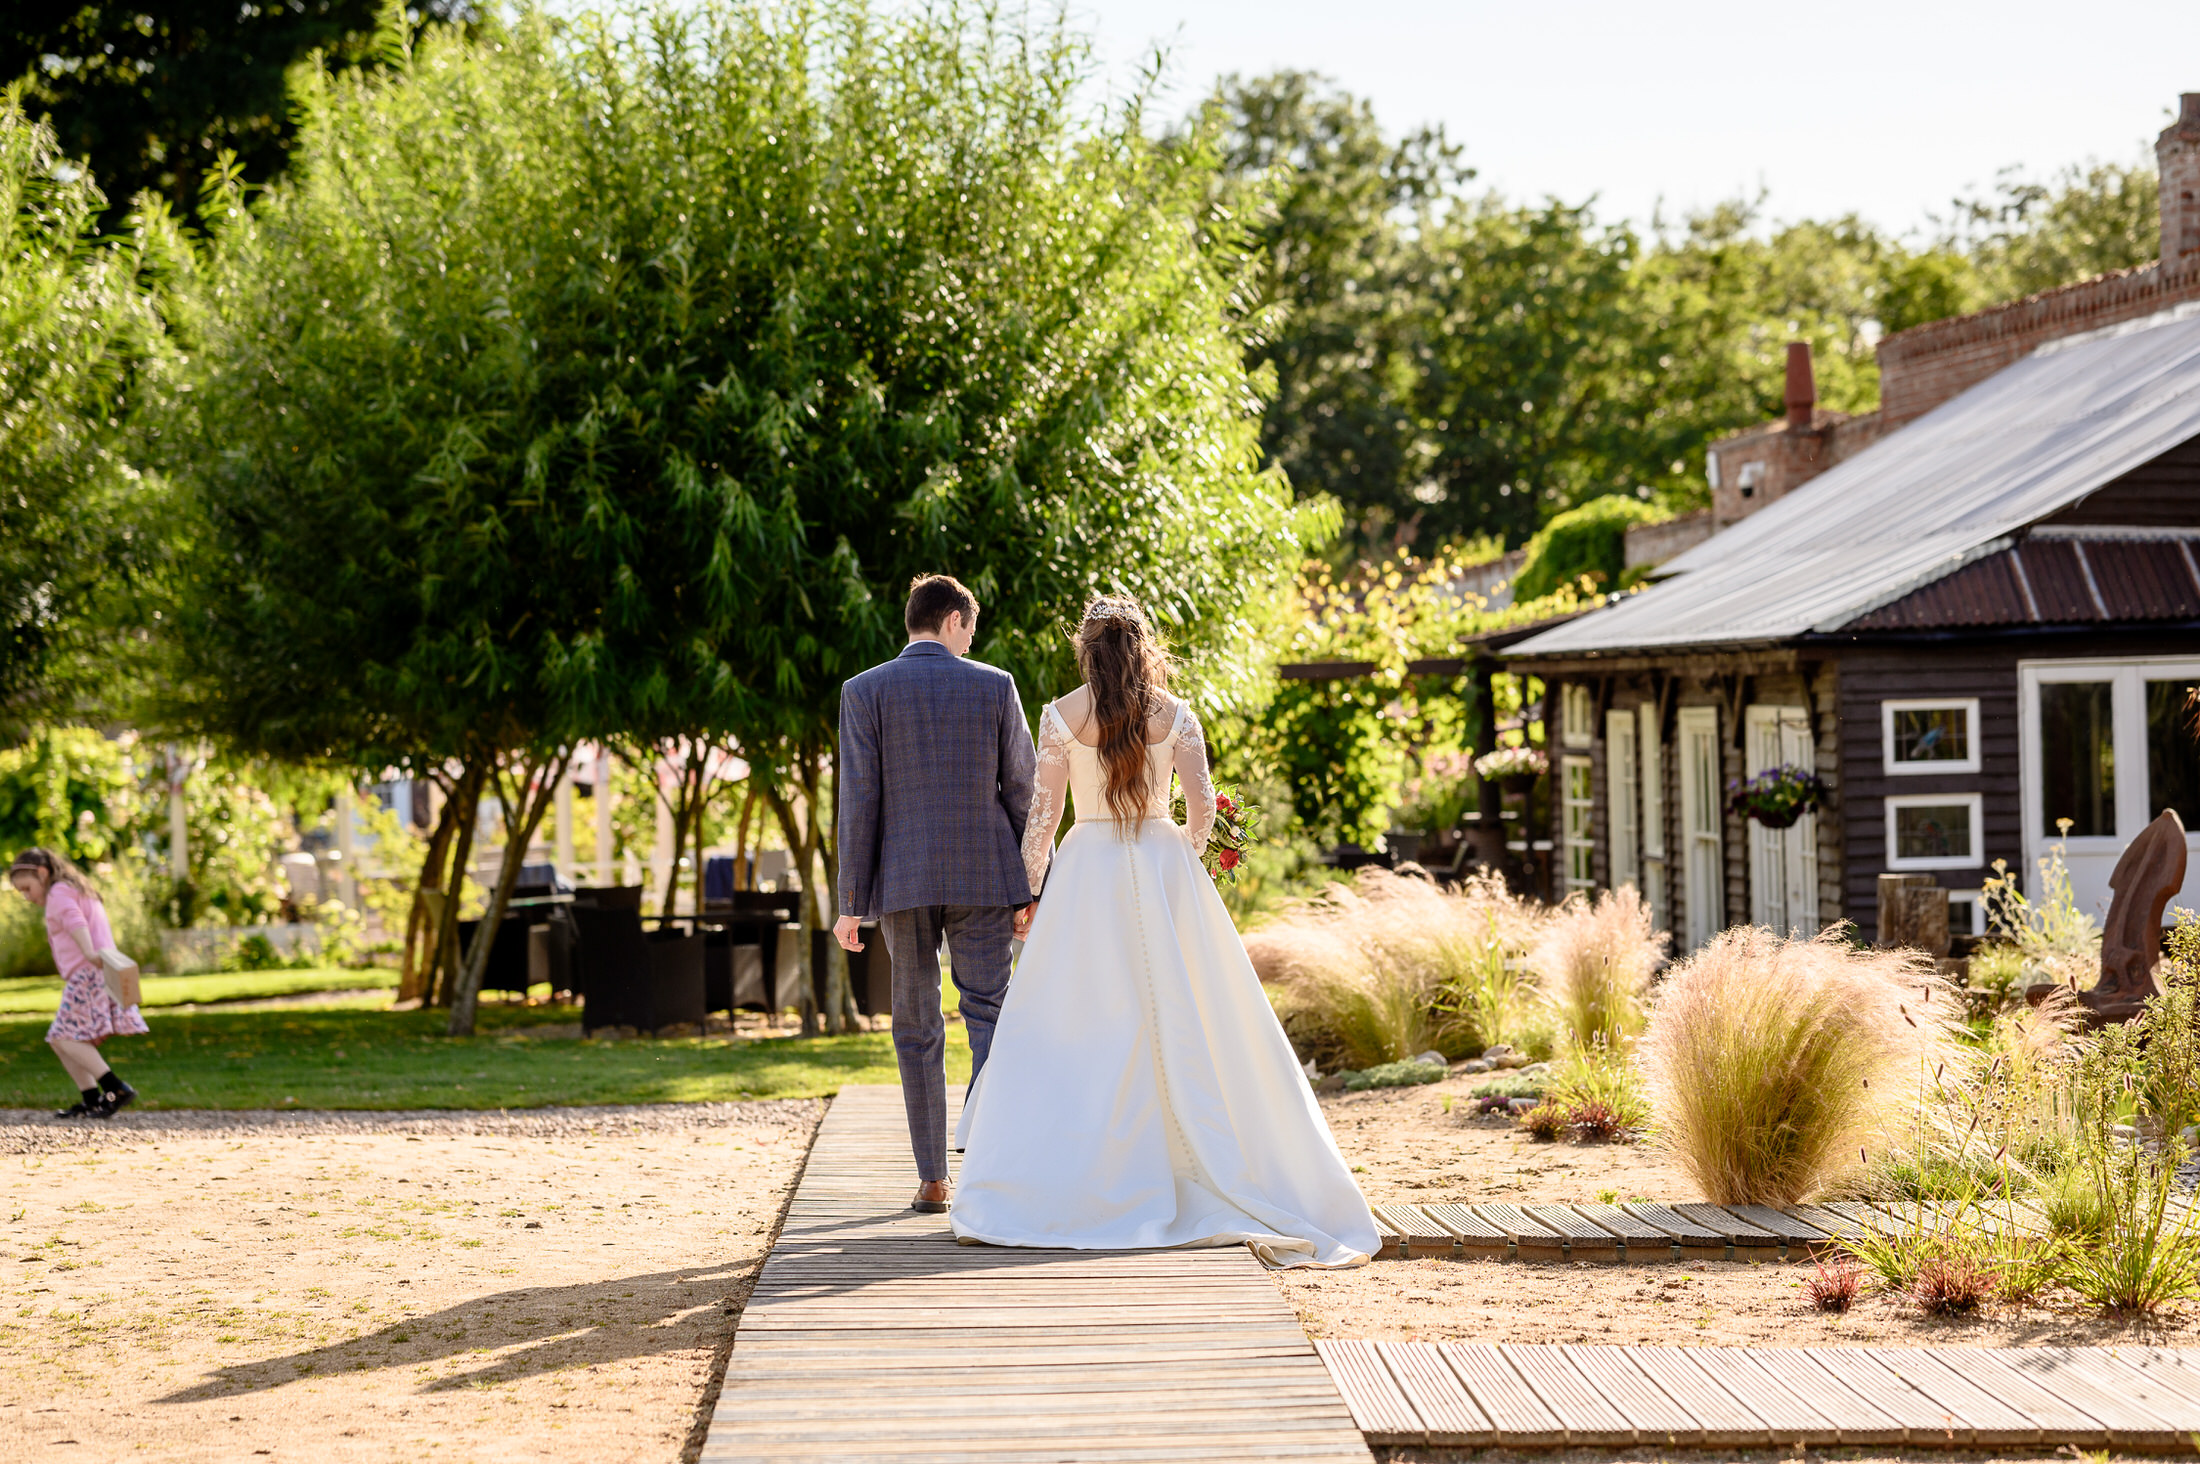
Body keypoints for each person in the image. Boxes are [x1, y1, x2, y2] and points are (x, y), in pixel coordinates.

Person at [949, 596, 1376, 1268]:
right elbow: (1203, 809)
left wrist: (1027, 895)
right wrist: (1182, 857)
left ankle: (1070, 1178)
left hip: (1087, 869)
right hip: (1160, 862)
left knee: (1079, 1022)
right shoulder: (1175, 715)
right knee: (1184, 1014)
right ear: (1145, 647)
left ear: (1086, 649)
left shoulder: (1061, 716)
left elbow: (1042, 820)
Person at [834, 574, 1037, 1213]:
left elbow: (859, 800)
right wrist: (1033, 886)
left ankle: (931, 1179)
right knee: (990, 1014)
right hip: (984, 876)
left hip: (902, 881)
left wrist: (850, 902)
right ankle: (988, 1163)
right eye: (970, 628)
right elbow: (1024, 793)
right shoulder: (995, 685)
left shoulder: (863, 691)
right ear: (952, 620)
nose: (972, 640)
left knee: (916, 1023)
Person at [8, 848, 146, 1118]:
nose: (26, 896)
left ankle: (115, 1088)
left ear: (42, 873)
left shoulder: (59, 893)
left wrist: (88, 952)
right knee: (63, 1039)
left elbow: (75, 921)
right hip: (92, 971)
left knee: (62, 1036)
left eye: (27, 888)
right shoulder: (74, 888)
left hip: (87, 971)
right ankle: (92, 1099)